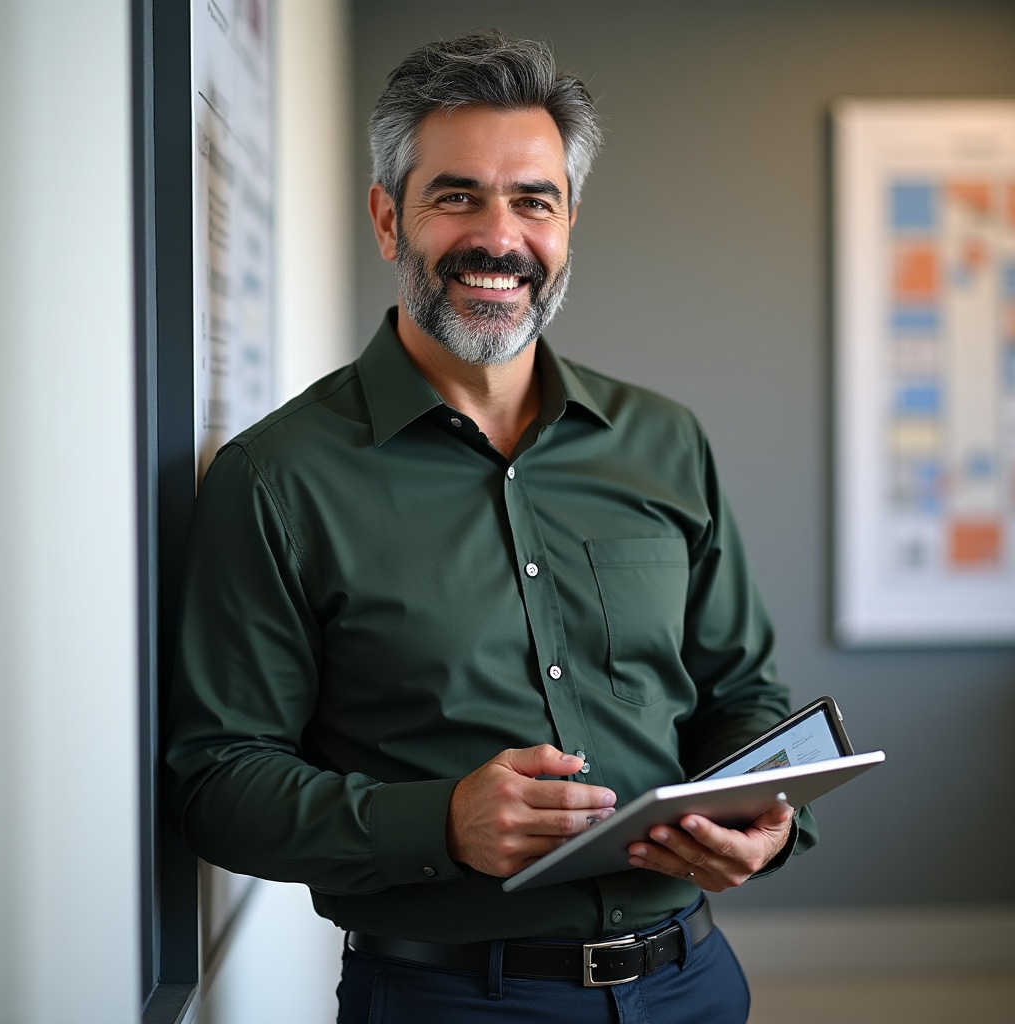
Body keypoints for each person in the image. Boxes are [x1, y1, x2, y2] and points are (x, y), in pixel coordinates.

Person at [166, 28, 818, 1023]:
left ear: (568, 224)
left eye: (533, 200)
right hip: (446, 997)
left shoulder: (664, 441)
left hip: (693, 981)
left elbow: (742, 691)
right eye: (456, 195)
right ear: (389, 220)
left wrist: (763, 819)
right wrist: (440, 821)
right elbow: (219, 782)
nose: (499, 237)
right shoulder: (274, 476)